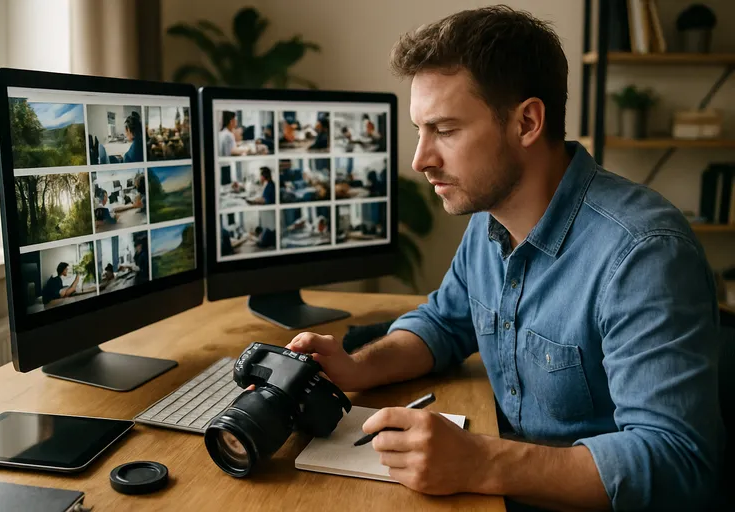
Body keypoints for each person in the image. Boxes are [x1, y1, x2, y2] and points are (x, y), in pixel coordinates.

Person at [284, 7, 724, 512]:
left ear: (527, 122)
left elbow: (677, 464)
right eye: (419, 130)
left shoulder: (644, 255)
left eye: (444, 130)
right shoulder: (490, 218)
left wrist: (481, 463)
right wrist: (357, 369)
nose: (420, 158)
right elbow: (443, 323)